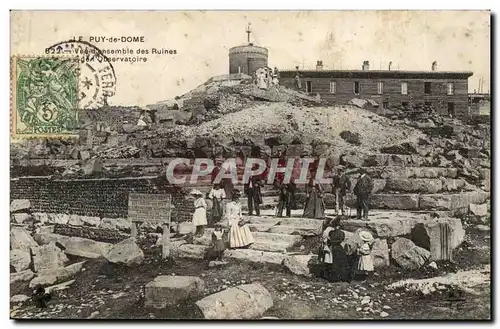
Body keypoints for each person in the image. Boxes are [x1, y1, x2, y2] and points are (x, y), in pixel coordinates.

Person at [328, 217, 350, 282]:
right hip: (339, 248)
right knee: (343, 262)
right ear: (339, 226)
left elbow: (330, 240)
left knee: (335, 263)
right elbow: (342, 240)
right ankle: (343, 278)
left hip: (333, 248)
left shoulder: (331, 233)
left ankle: (335, 278)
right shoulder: (342, 233)